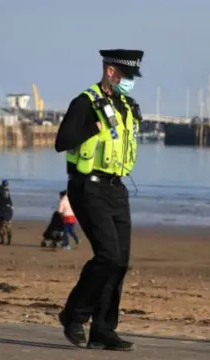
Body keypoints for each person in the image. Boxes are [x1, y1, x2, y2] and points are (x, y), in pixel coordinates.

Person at [54, 49, 144, 351]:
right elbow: (61, 142)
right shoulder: (84, 102)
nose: (130, 82)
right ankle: (73, 314)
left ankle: (103, 330)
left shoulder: (126, 105)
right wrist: (93, 126)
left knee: (120, 263)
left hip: (117, 188)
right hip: (87, 187)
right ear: (110, 72)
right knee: (107, 255)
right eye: (126, 76)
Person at [0, 180, 14, 245]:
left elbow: (9, 199)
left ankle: (8, 241)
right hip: (2, 210)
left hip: (7, 210)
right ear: (2, 185)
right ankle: (3, 240)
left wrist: (11, 205)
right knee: (2, 227)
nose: (6, 187)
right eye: (5, 185)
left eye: (6, 185)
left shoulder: (7, 190)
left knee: (7, 227)